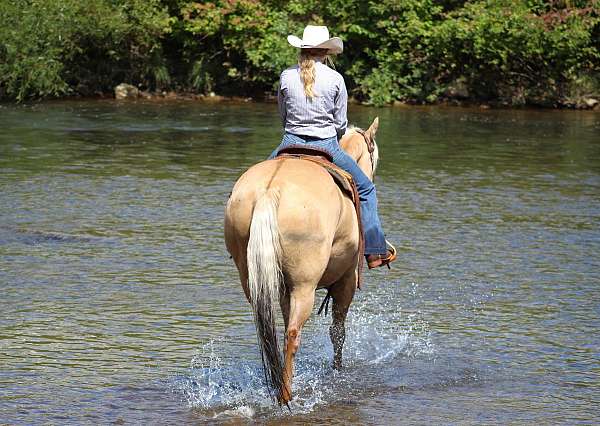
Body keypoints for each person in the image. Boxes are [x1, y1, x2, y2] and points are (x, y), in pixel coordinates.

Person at [269, 25, 396, 269]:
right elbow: (340, 124)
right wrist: (333, 135)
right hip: (327, 145)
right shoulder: (336, 79)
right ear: (326, 51)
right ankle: (375, 251)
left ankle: (241, 239)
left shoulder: (286, 76)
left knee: (253, 180)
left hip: (289, 141)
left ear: (303, 49)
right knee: (367, 190)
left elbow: (283, 116)